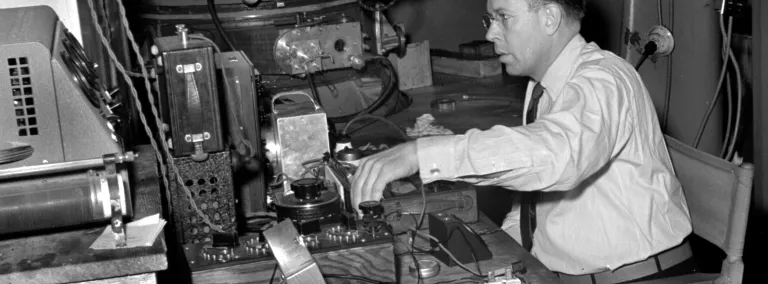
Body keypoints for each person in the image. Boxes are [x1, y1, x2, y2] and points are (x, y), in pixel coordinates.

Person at [350, 0, 694, 282]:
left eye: (503, 17)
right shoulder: (543, 86)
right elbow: (536, 201)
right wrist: (502, 254)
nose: (489, 31)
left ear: (549, 17)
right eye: (490, 17)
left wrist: (420, 154)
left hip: (640, 278)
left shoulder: (602, 80)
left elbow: (558, 155)